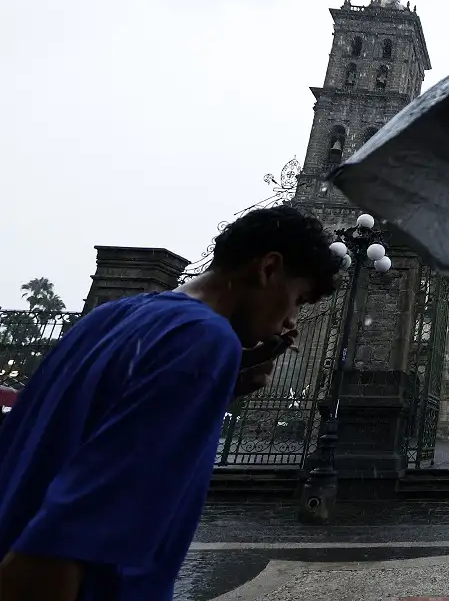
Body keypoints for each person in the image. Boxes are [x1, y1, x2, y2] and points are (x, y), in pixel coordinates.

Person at [0, 206, 340, 601]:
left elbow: (89, 429)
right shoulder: (203, 341)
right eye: (297, 299)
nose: (290, 321)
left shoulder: (112, 316)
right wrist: (213, 364)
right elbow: (60, 546)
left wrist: (223, 384)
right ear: (268, 268)